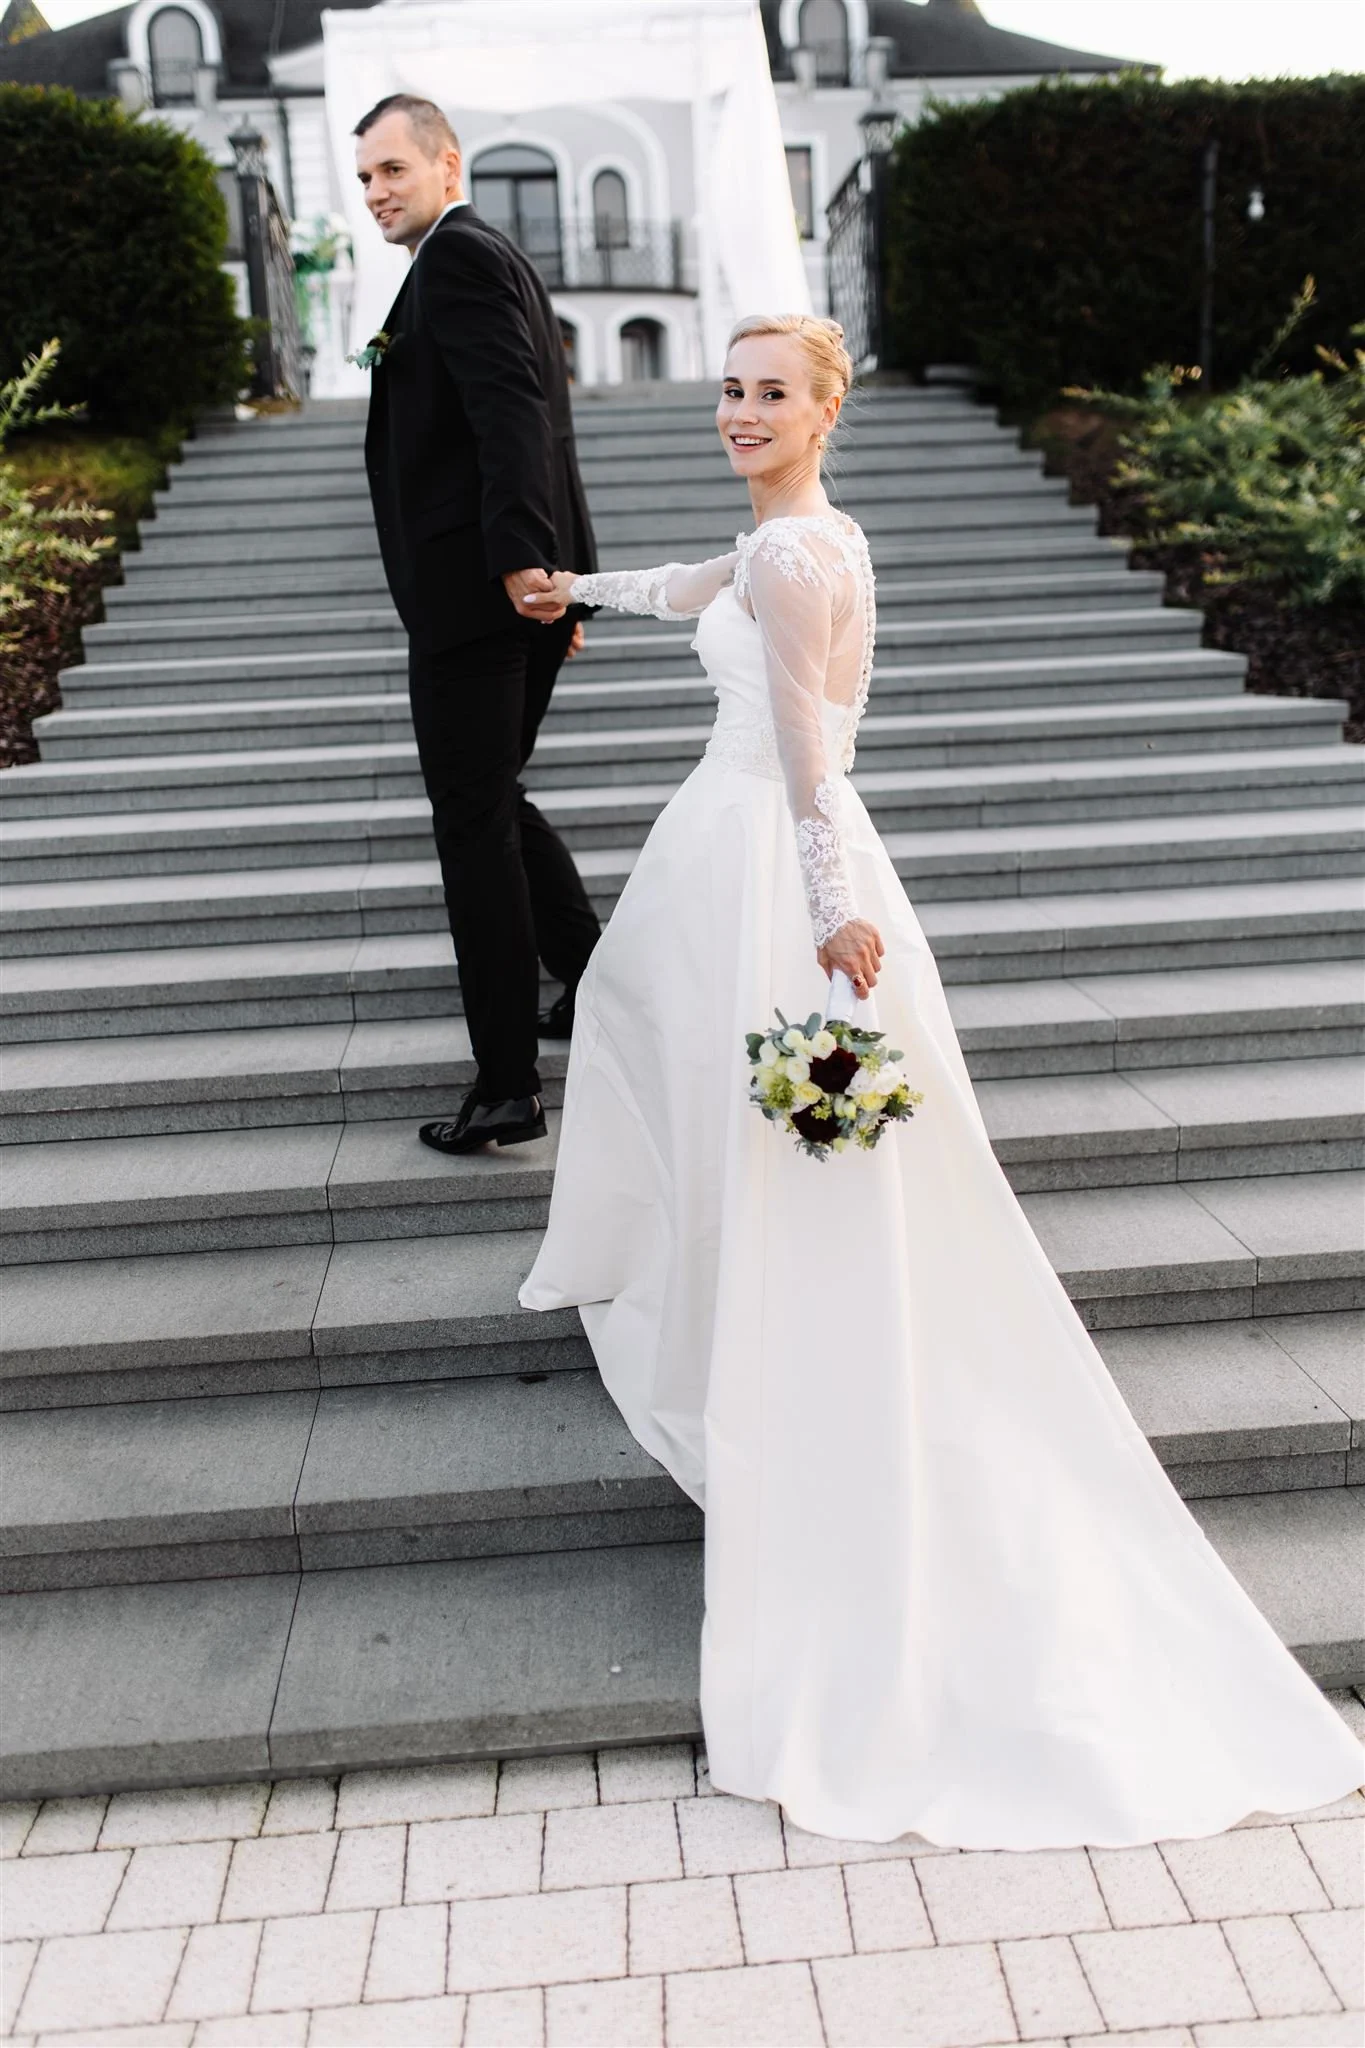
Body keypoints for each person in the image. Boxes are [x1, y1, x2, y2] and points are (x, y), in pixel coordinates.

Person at [518, 312, 1362, 1848]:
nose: (740, 412)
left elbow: (804, 749)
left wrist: (831, 906)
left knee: (759, 1113)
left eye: (772, 395)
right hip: (746, 862)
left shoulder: (794, 558)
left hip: (773, 865)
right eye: (731, 389)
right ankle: (712, 1281)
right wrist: (568, 586)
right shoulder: (795, 539)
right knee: (675, 1059)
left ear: (826, 409)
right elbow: (681, 589)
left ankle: (751, 1331)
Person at [355, 93, 601, 1155]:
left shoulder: (457, 258)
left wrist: (528, 565)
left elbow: (515, 409)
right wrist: (563, 575)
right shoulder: (478, 256)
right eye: (363, 178)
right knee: (492, 795)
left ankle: (508, 1086)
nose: (375, 193)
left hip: (478, 596)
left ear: (447, 165)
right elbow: (546, 413)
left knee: (471, 825)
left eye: (392, 171)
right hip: (513, 587)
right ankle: (596, 980)